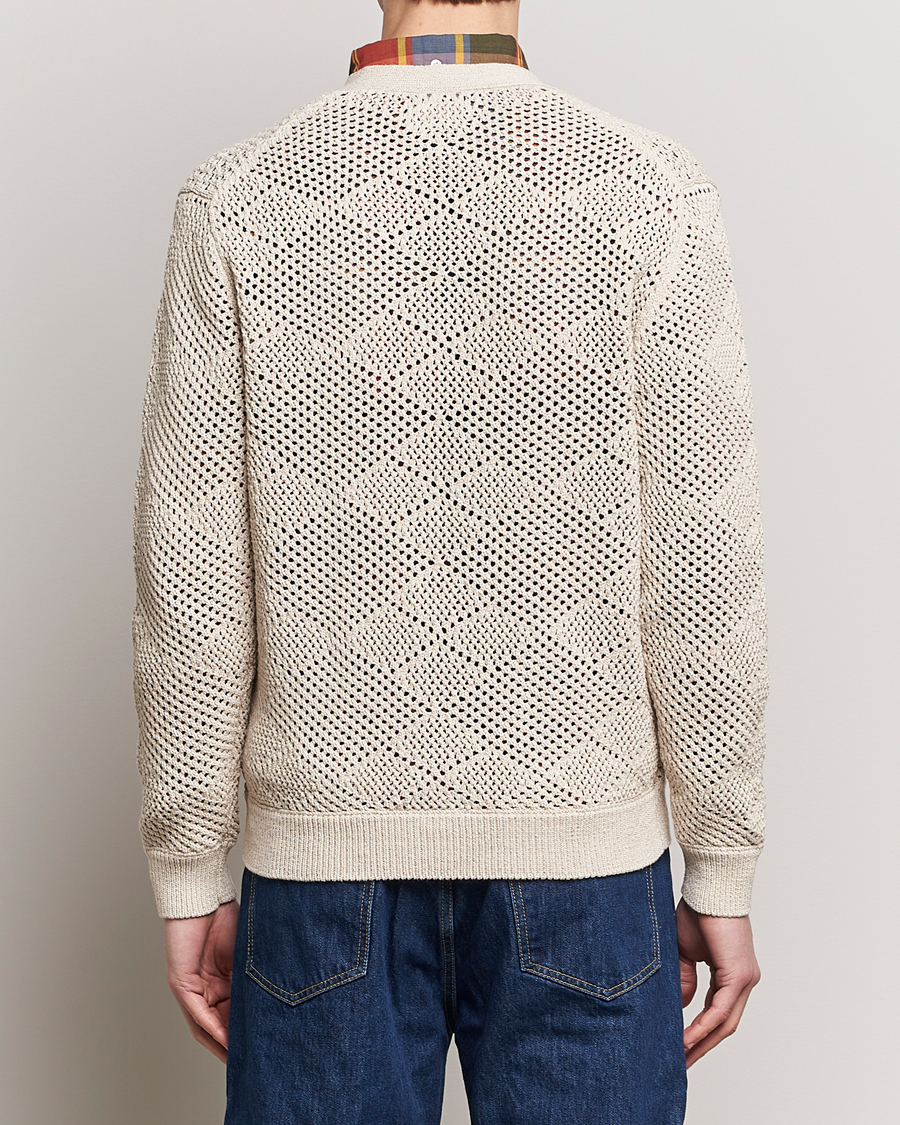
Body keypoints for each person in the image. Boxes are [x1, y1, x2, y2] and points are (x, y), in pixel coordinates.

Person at [133, 1, 767, 1121]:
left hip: (322, 870)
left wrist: (189, 865)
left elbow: (191, 571)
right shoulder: (651, 190)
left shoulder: (237, 197)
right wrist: (720, 857)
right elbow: (703, 560)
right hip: (582, 858)